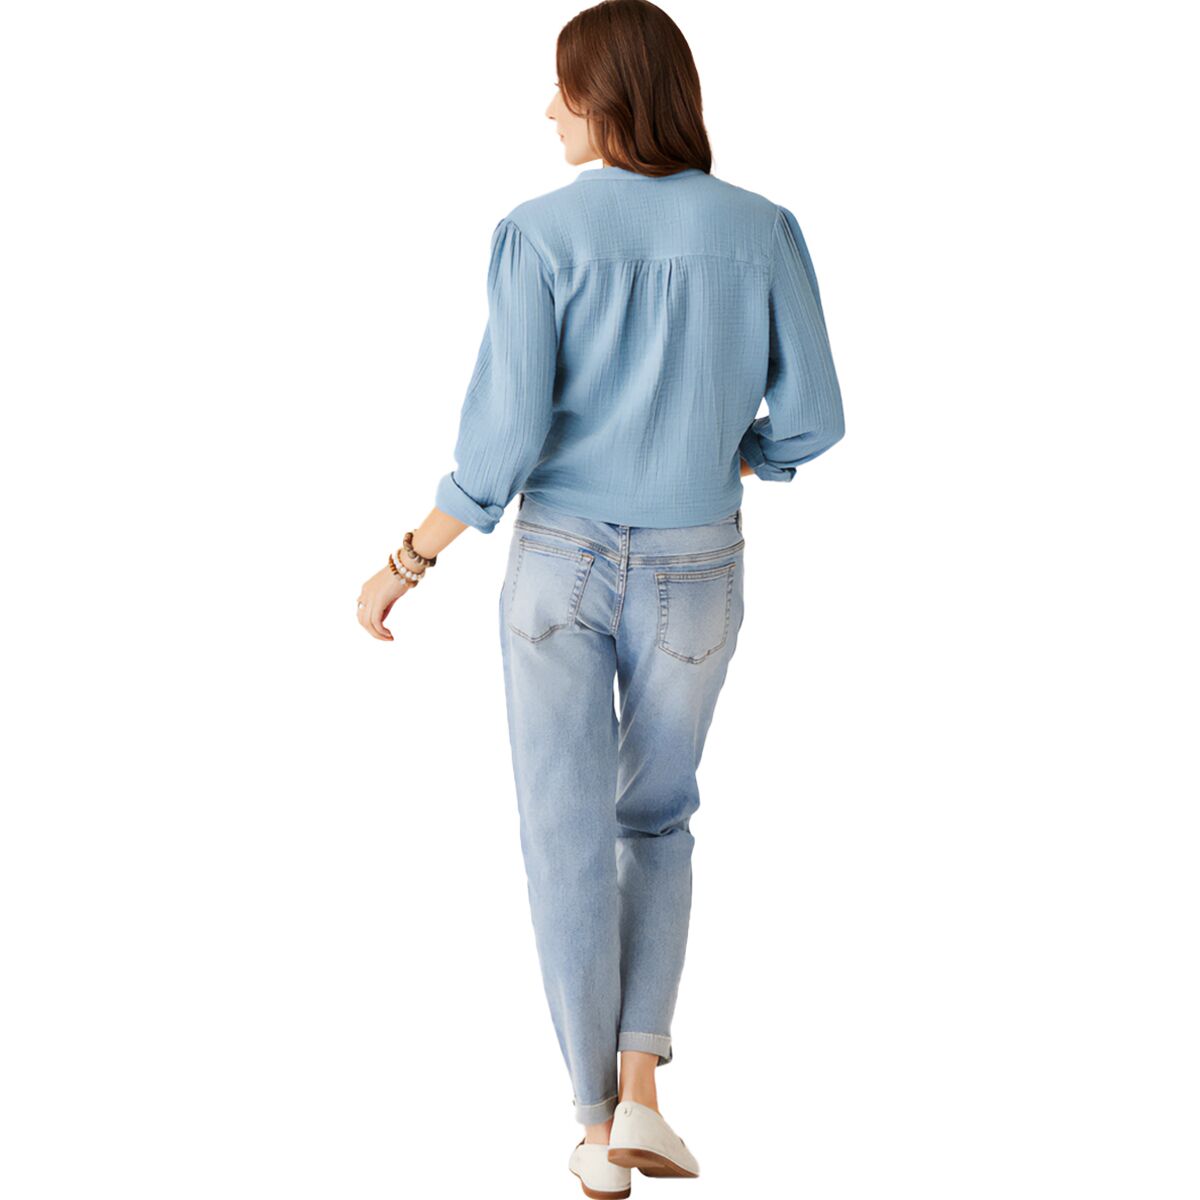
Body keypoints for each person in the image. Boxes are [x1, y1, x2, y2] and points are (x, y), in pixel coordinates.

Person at [356, 0, 845, 1192]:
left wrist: (409, 558)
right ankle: (641, 1094)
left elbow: (503, 439)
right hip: (699, 564)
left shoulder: (538, 234)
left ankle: (594, 1129)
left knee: (562, 836)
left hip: (559, 561)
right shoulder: (763, 228)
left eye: (562, 90)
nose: (549, 111)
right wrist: (744, 454)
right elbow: (816, 418)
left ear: (607, 98)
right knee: (657, 822)